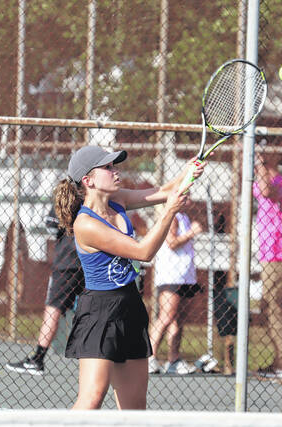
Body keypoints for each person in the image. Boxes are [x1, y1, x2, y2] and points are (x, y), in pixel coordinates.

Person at [54, 145, 205, 410]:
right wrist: (170, 211)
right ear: (88, 181)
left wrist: (188, 171)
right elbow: (143, 252)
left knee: (135, 409)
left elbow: (162, 192)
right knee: (92, 399)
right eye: (108, 167)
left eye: (114, 165)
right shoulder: (85, 224)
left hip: (130, 309)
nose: (115, 171)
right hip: (100, 314)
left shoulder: (119, 199)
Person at [5, 204, 85, 376]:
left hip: (67, 263)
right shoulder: (99, 197)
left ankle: (37, 359)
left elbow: (52, 224)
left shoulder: (69, 195)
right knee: (88, 311)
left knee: (53, 310)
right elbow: (52, 223)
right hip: (85, 261)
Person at [253, 149, 282, 380]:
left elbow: (265, 190)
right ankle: (281, 360)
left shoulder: (280, 181)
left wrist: (260, 165)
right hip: (268, 251)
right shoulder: (262, 177)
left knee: (273, 305)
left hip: (280, 252)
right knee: (271, 306)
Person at [148, 210, 203, 375]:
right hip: (171, 276)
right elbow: (171, 242)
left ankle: (173, 359)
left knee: (177, 319)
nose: (188, 197)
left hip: (184, 276)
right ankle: (149, 358)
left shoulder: (184, 216)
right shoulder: (171, 216)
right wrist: (191, 232)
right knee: (166, 317)